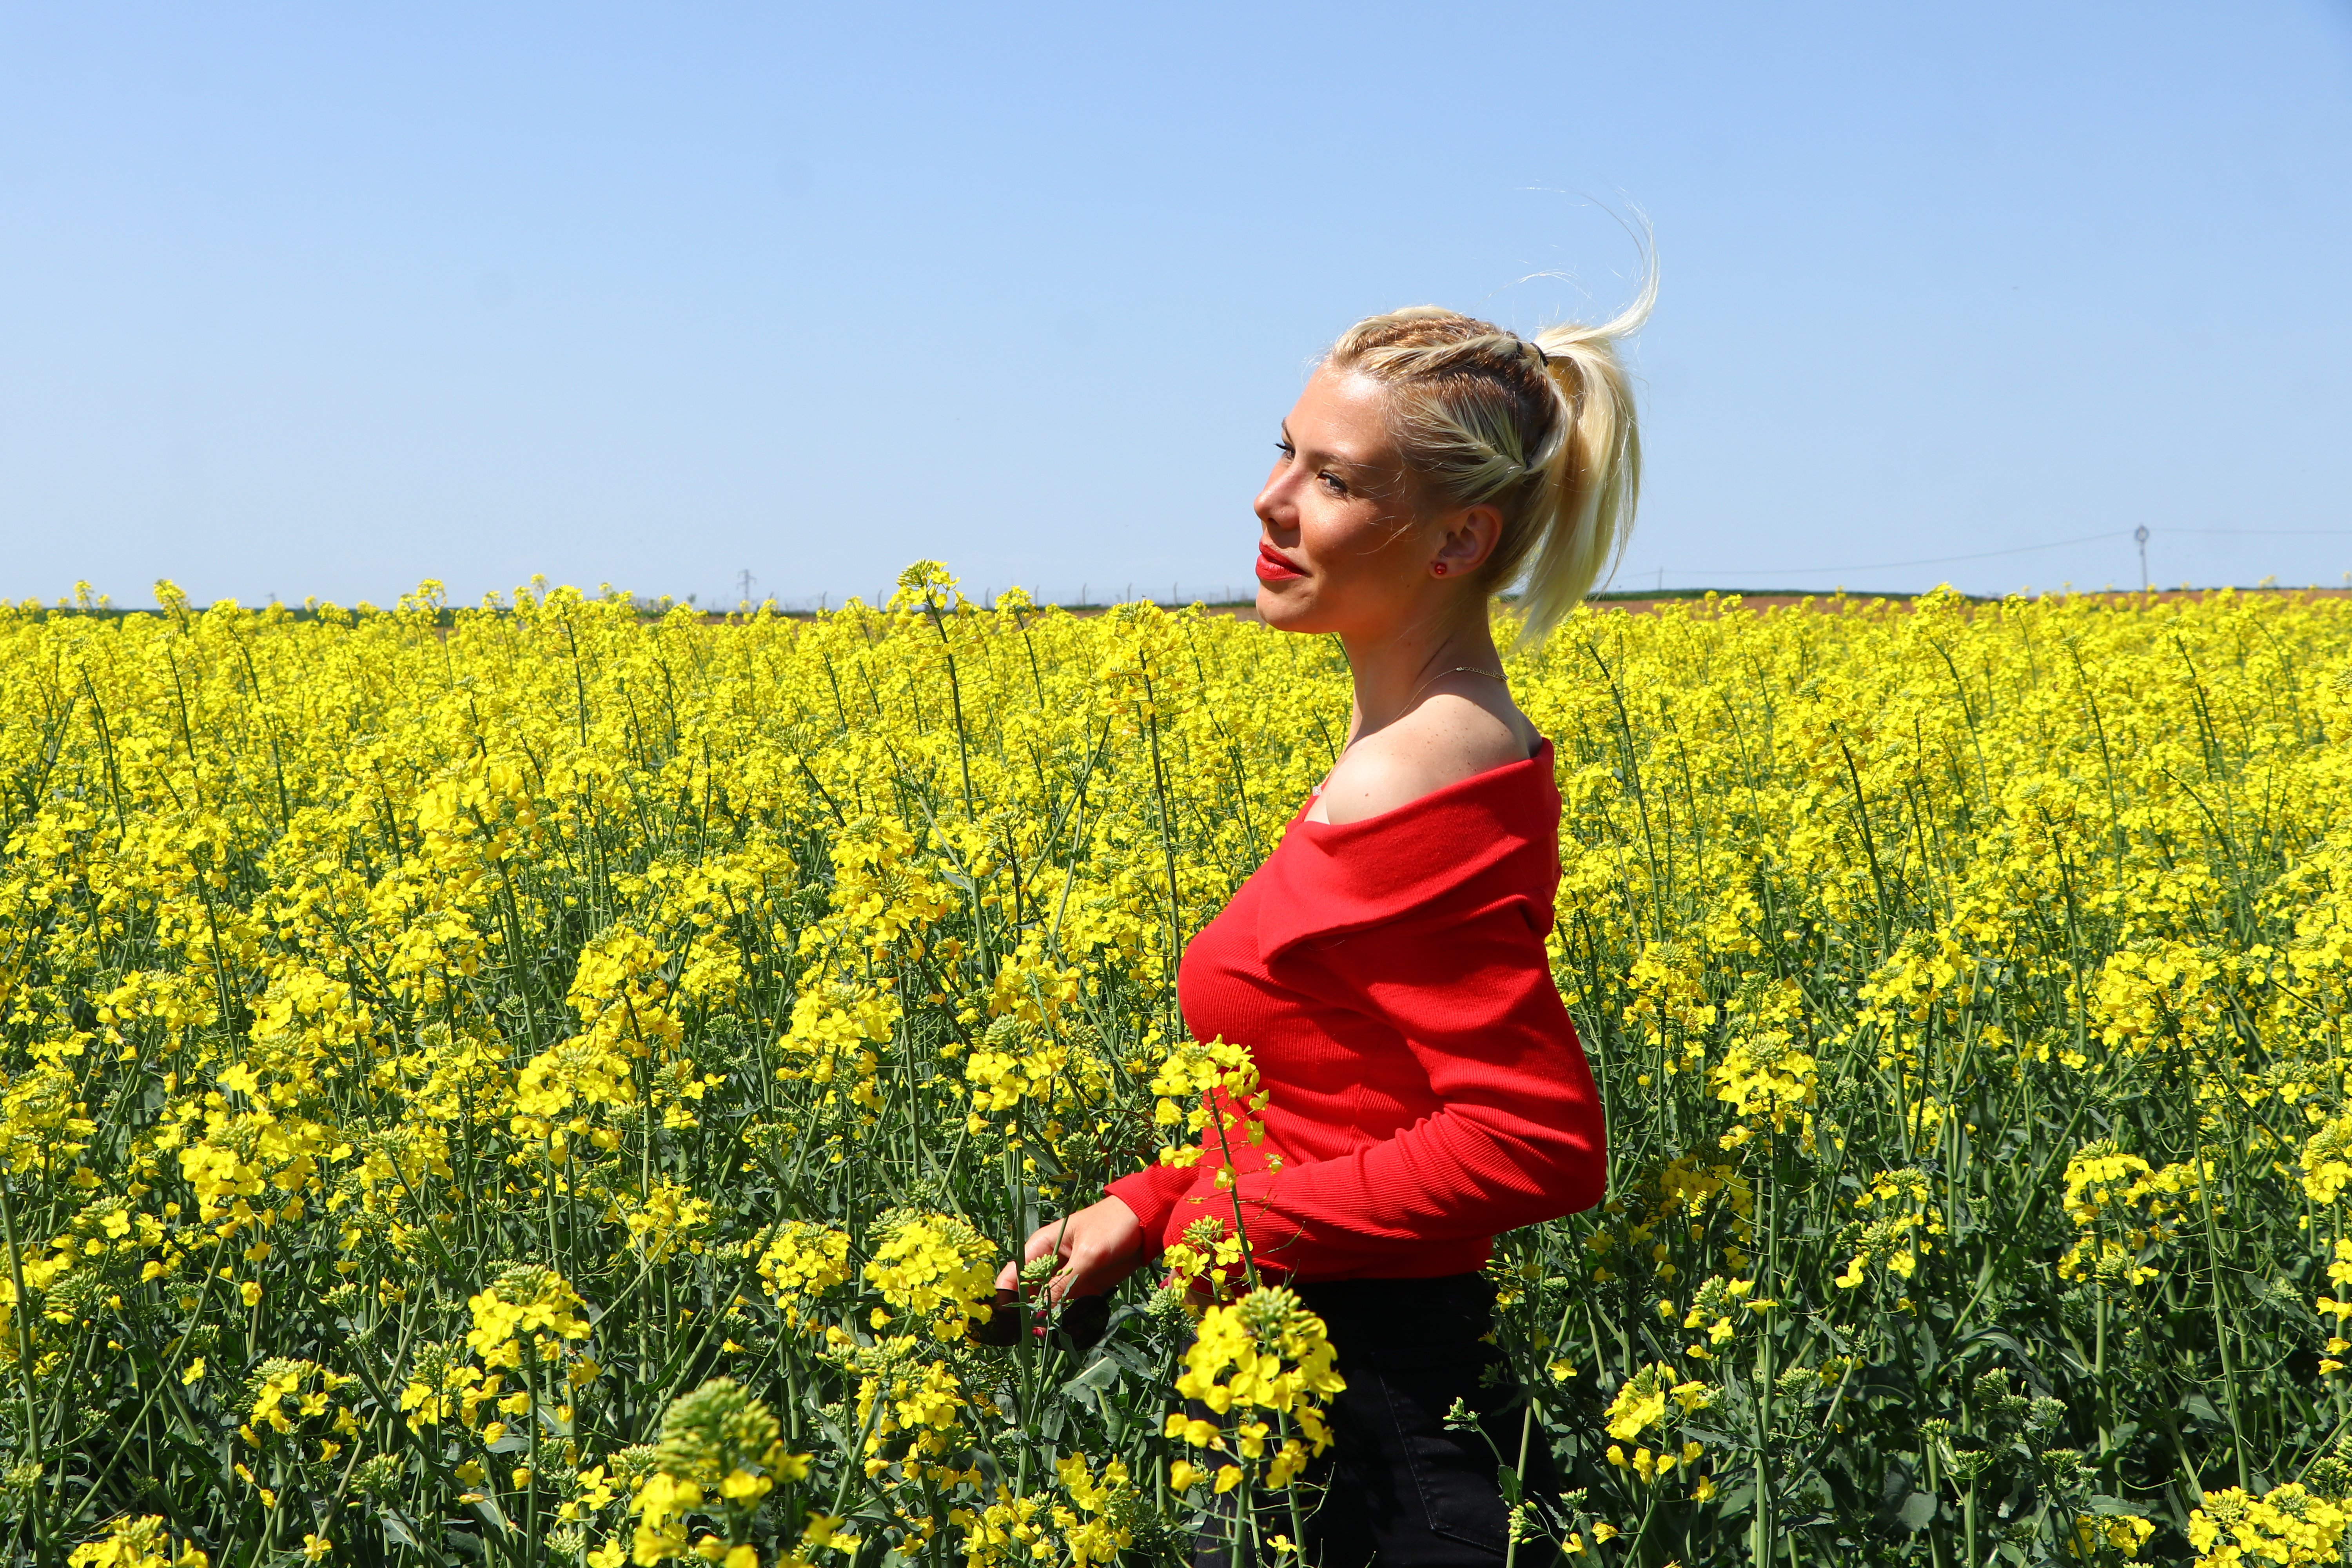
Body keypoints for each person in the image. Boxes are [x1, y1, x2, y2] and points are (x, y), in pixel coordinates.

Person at [996, 287, 1648, 1566]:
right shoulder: (1398, 744)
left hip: (1379, 1422)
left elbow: (1536, 1141)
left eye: (1335, 479)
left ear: (1457, 541)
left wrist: (1233, 1225)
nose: (1272, 498)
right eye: (1282, 449)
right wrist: (1153, 1203)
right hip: (1297, 1390)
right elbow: (1339, 1093)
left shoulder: (1431, 768)